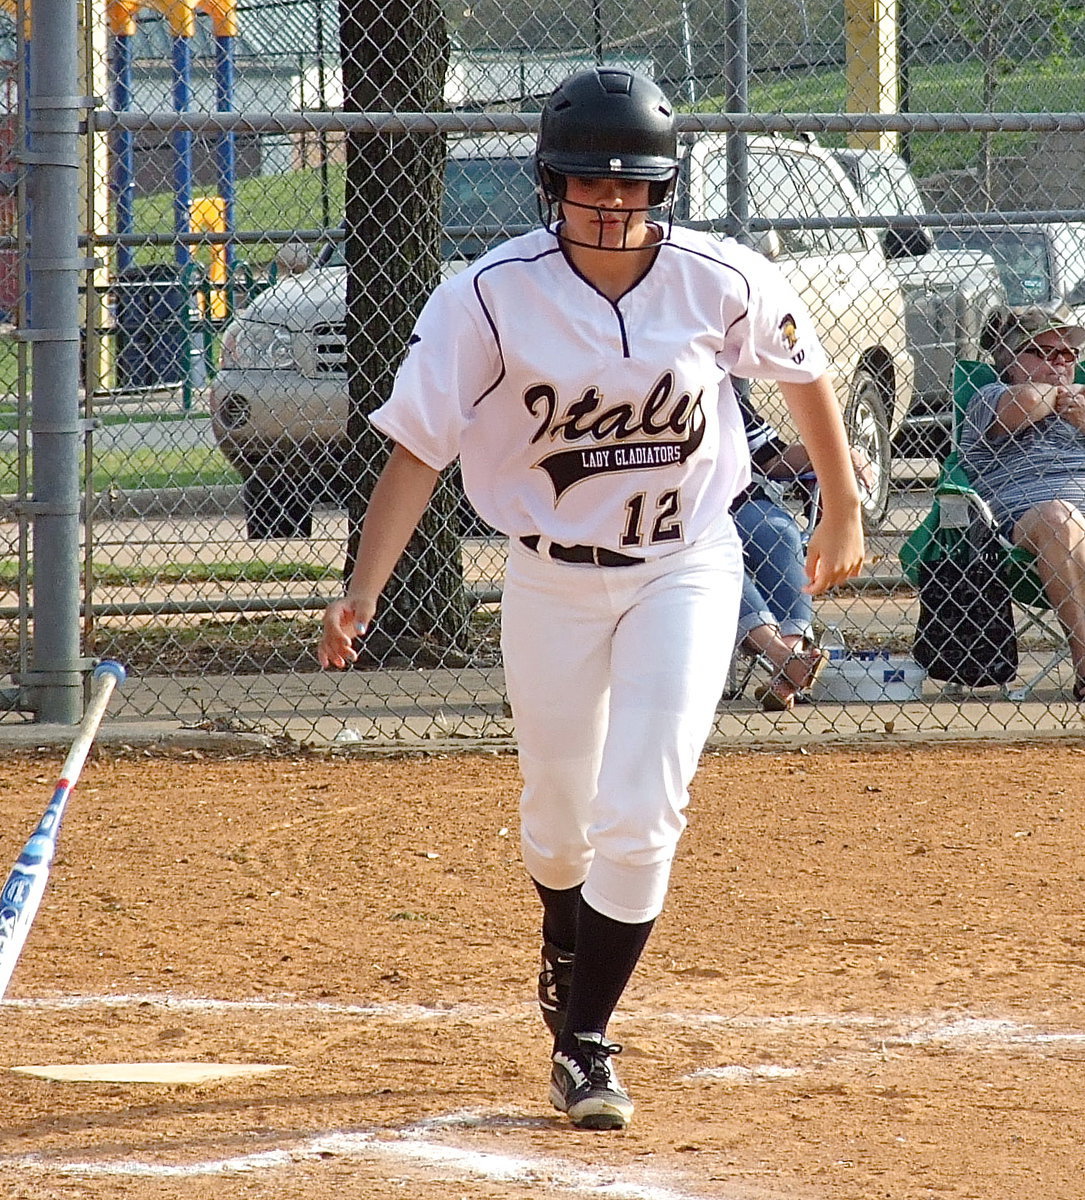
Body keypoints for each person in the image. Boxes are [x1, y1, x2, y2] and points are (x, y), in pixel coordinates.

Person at [318, 66, 865, 1131]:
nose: (614, 207)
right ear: (549, 185)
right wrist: (361, 592)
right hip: (549, 578)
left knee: (644, 802)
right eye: (589, 186)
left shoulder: (714, 277)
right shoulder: (488, 294)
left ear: (664, 190)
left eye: (636, 189)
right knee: (558, 822)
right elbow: (417, 450)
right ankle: (564, 952)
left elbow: (802, 370)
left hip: (686, 567)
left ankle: (584, 1042)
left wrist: (840, 505)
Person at [959, 304, 1085, 699]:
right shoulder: (989, 395)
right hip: (1025, 523)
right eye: (1046, 353)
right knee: (1057, 518)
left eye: (1069, 355)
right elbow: (1025, 403)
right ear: (1010, 359)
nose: (1061, 364)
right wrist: (1065, 399)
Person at [733, 395, 873, 711]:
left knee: (780, 531)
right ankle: (785, 660)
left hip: (739, 502)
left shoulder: (719, 384)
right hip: (685, 517)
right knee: (717, 555)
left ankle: (789, 665)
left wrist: (840, 455)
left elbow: (774, 457)